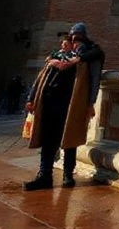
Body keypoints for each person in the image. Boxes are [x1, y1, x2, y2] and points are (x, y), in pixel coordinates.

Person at [23, 23, 105, 190]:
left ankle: (68, 174)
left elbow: (96, 74)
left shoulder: (89, 55)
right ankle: (44, 175)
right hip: (49, 101)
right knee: (47, 139)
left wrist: (91, 102)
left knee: (69, 138)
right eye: (71, 38)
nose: (73, 42)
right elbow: (40, 78)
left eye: (77, 38)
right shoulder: (56, 57)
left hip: (71, 103)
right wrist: (31, 99)